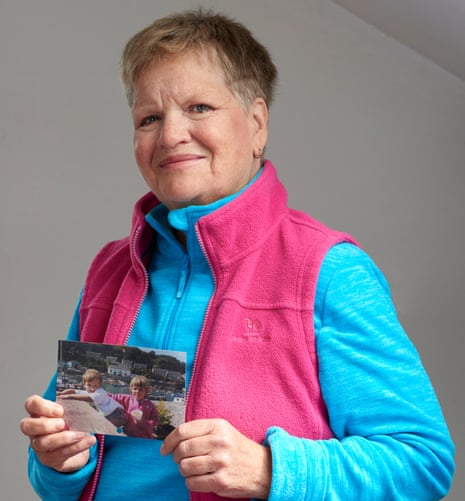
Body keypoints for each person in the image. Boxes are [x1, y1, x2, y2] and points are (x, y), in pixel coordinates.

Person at [20, 8, 455, 501]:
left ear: (256, 123)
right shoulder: (111, 270)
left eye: (200, 108)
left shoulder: (329, 270)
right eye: (149, 118)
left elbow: (422, 462)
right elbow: (63, 466)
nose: (170, 135)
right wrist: (59, 460)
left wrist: (271, 469)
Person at [57, 369, 128, 429]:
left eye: (95, 385)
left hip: (117, 414)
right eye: (89, 385)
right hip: (109, 414)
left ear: (99, 385)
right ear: (84, 384)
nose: (92, 388)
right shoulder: (88, 392)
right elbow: (73, 390)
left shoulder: (100, 392)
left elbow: (90, 398)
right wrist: (61, 393)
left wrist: (70, 396)